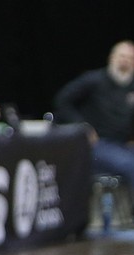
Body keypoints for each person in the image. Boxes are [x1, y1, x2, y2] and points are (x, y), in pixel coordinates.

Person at [53, 40, 134, 189]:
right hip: (99, 144)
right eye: (122, 56)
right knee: (130, 164)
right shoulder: (94, 80)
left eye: (130, 58)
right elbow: (63, 100)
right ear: (112, 57)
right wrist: (82, 126)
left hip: (124, 144)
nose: (126, 61)